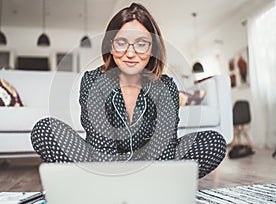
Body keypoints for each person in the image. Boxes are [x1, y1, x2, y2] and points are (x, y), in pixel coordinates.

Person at [31, 3, 226, 178]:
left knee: (214, 142)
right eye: (122, 43)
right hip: (100, 165)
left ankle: (115, 189)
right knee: (45, 130)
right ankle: (132, 188)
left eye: (141, 44)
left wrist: (154, 171)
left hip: (152, 166)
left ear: (152, 49)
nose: (131, 53)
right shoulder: (93, 81)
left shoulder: (165, 86)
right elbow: (101, 150)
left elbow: (164, 151)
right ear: (111, 46)